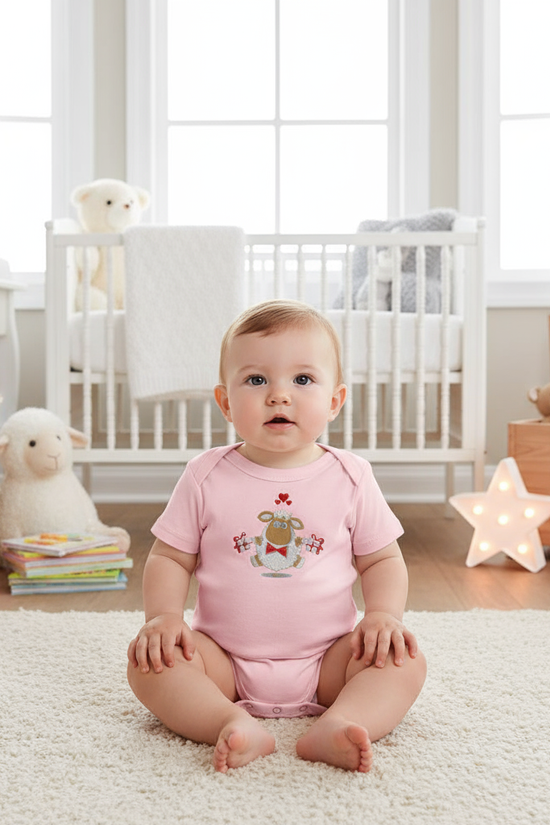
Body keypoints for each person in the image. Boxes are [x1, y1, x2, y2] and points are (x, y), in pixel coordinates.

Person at [127, 299, 427, 774]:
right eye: (256, 379)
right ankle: (228, 722)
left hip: (330, 659)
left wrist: (384, 616)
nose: (279, 395)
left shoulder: (351, 476)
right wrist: (163, 618)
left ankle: (344, 721)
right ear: (225, 401)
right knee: (149, 665)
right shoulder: (205, 476)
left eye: (302, 380)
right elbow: (170, 557)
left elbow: (381, 560)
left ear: (335, 400)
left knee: (404, 660)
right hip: (222, 660)